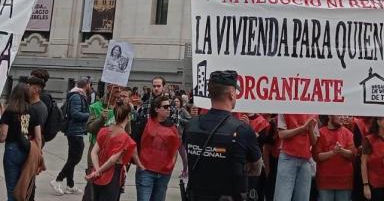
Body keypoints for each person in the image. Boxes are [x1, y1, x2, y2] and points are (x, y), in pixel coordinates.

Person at [184, 71, 263, 201]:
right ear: (232, 94)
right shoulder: (243, 130)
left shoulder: (191, 125)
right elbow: (256, 169)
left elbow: (189, 153)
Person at [133, 95, 186, 201]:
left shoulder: (172, 127)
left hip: (164, 173)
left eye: (170, 106)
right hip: (146, 171)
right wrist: (138, 163)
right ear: (156, 109)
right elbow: (133, 143)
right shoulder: (145, 123)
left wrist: (171, 165)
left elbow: (175, 148)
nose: (169, 109)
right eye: (165, 107)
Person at [86, 104, 136, 201]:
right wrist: (99, 171)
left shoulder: (103, 130)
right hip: (112, 174)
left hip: (97, 170)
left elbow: (94, 152)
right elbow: (113, 159)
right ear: (128, 116)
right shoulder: (124, 136)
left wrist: (97, 170)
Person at [1, 84, 41, 201]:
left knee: (12, 187)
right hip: (28, 149)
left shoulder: (9, 111)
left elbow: (3, 135)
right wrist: (38, 154)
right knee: (24, 185)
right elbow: (38, 137)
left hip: (12, 149)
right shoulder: (32, 110)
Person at [53, 76, 91, 195]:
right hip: (75, 131)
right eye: (90, 84)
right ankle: (57, 179)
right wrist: (89, 116)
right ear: (86, 85)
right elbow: (75, 114)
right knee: (76, 158)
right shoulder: (76, 96)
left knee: (71, 159)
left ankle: (70, 185)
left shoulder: (79, 95)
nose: (90, 87)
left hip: (76, 131)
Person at [274, 110, 318, 201]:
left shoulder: (314, 111)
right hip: (288, 157)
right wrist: (301, 128)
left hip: (305, 159)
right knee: (282, 197)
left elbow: (314, 141)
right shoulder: (284, 108)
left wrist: (309, 129)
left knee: (302, 197)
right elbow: (281, 134)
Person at [315, 115, 355, 201]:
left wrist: (341, 151)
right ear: (330, 116)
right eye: (339, 115)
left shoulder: (348, 133)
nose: (342, 117)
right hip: (325, 181)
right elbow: (317, 156)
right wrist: (333, 152)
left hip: (344, 181)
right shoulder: (320, 132)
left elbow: (352, 154)